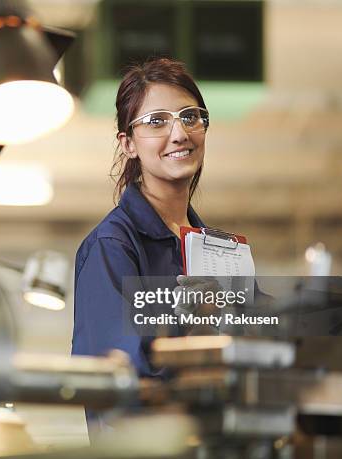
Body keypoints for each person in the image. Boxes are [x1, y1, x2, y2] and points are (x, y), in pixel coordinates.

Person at [71, 57, 212, 434]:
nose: (179, 133)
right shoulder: (112, 247)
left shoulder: (216, 252)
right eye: (156, 121)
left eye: (190, 116)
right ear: (128, 143)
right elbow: (120, 384)